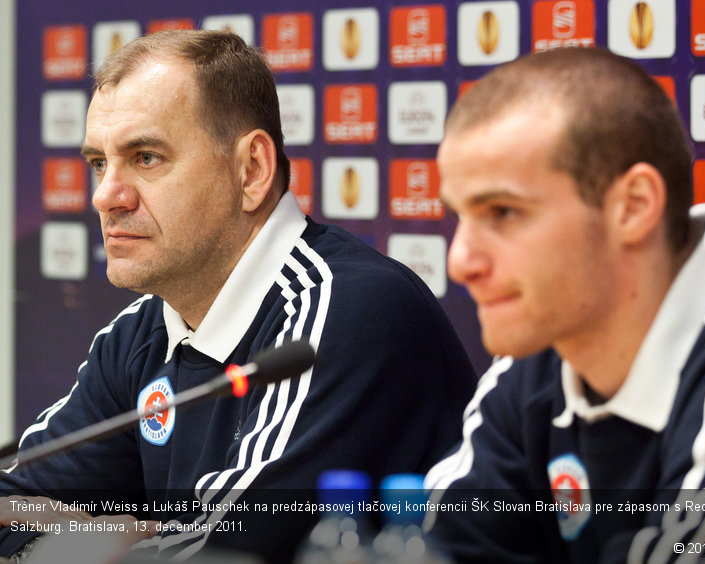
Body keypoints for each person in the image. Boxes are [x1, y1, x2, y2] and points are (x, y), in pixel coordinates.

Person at [0, 30, 477, 562]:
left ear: (251, 170)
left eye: (147, 157)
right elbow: (8, 502)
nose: (106, 195)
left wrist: (100, 538)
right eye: (98, 163)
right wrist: (105, 538)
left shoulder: (347, 310)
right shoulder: (142, 331)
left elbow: (224, 551)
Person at [423, 47, 705, 563]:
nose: (461, 260)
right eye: (460, 215)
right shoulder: (541, 352)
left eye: (503, 212)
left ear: (635, 206)